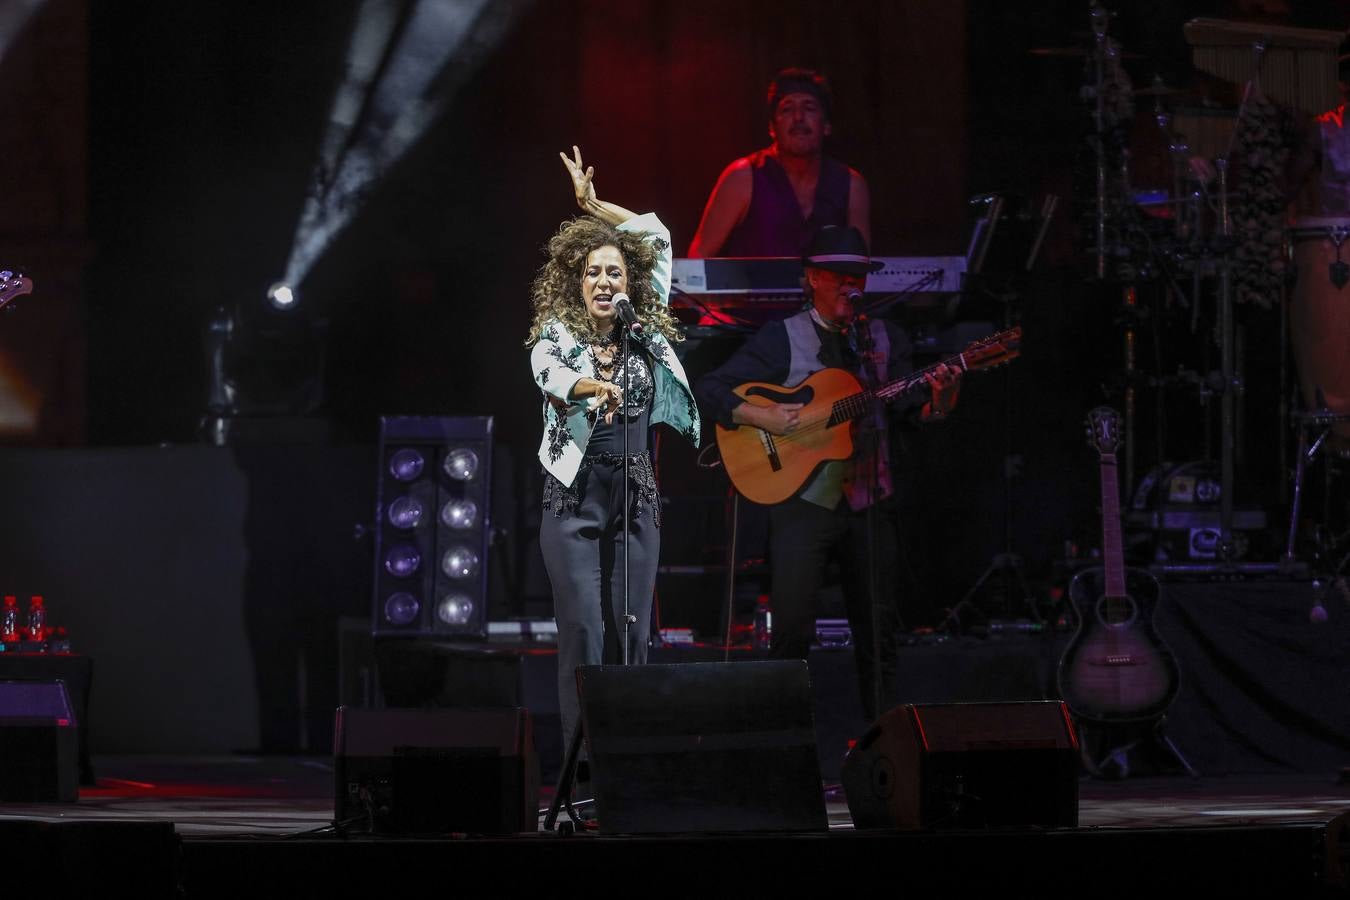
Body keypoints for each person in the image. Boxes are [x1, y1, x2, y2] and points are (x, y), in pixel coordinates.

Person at [694, 224, 961, 723]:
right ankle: (782, 744)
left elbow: (911, 416)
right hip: (803, 504)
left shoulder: (885, 338)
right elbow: (711, 388)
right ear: (812, 278)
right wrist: (764, 416)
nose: (849, 286)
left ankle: (884, 752)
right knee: (793, 630)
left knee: (878, 632)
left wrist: (941, 402)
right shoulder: (780, 337)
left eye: (857, 276)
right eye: (838, 276)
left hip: (869, 499)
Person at [527, 146, 700, 790]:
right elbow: (545, 370)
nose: (605, 282)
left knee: (632, 633)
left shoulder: (644, 327)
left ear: (631, 284)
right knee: (584, 630)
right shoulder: (558, 331)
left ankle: (631, 767)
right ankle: (583, 770)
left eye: (616, 274)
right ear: (576, 281)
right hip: (574, 494)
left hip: (635, 487)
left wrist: (593, 208)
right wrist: (585, 389)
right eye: (594, 272)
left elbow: (653, 234)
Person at [687, 67, 871, 258]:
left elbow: (860, 269)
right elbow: (696, 263)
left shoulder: (851, 185)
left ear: (826, 125)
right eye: (787, 109)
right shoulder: (742, 177)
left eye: (809, 108)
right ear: (772, 127)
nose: (798, 117)